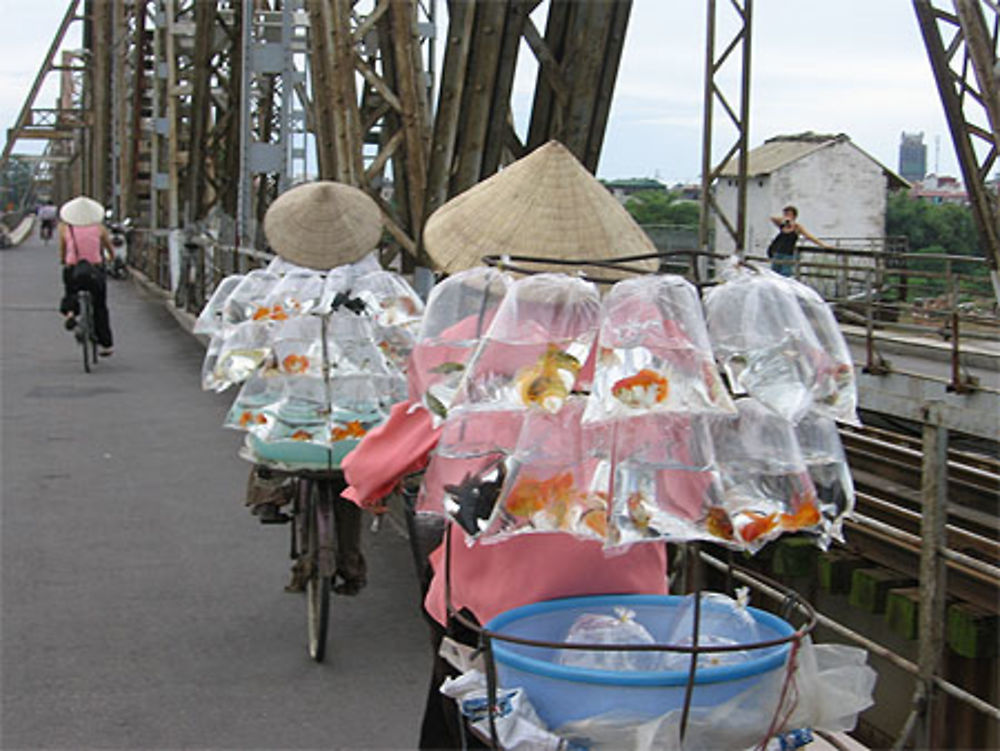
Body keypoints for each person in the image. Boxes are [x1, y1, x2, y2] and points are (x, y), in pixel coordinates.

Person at [58, 196, 115, 356]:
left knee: (70, 291)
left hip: (74, 268)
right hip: (94, 269)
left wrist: (64, 260)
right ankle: (106, 344)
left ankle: (70, 313)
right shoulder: (99, 228)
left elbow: (62, 251)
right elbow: (109, 249)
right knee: (100, 306)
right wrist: (110, 257)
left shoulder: (65, 228)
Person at [766, 205, 831, 277]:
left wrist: (823, 245)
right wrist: (784, 220)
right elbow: (772, 219)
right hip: (778, 252)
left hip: (788, 254)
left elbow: (809, 237)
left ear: (794, 216)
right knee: (773, 274)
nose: (787, 216)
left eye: (789, 214)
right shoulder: (782, 225)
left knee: (785, 274)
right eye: (785, 214)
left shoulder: (797, 227)